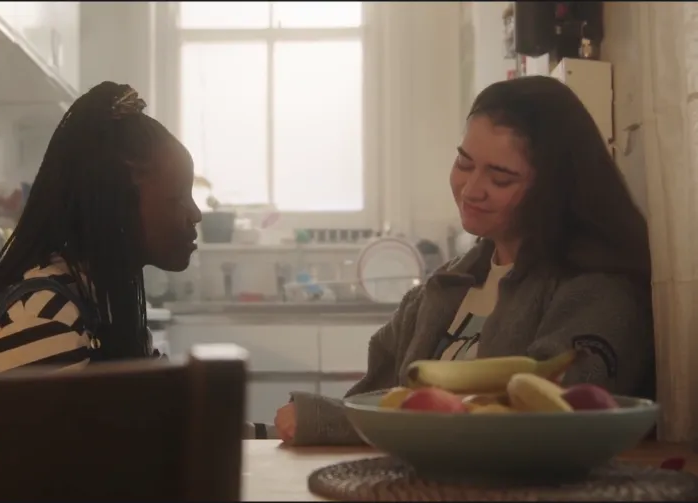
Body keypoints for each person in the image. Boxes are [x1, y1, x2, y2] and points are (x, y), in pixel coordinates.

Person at [275, 75, 655, 446]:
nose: (471, 190)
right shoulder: (444, 286)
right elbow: (375, 403)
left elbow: (543, 414)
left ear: (555, 188)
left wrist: (324, 419)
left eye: (500, 178)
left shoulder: (599, 292)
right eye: (464, 163)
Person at [0, 82, 202, 373]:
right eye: (178, 196)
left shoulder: (100, 302)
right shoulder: (47, 321)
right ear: (117, 199)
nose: (196, 214)